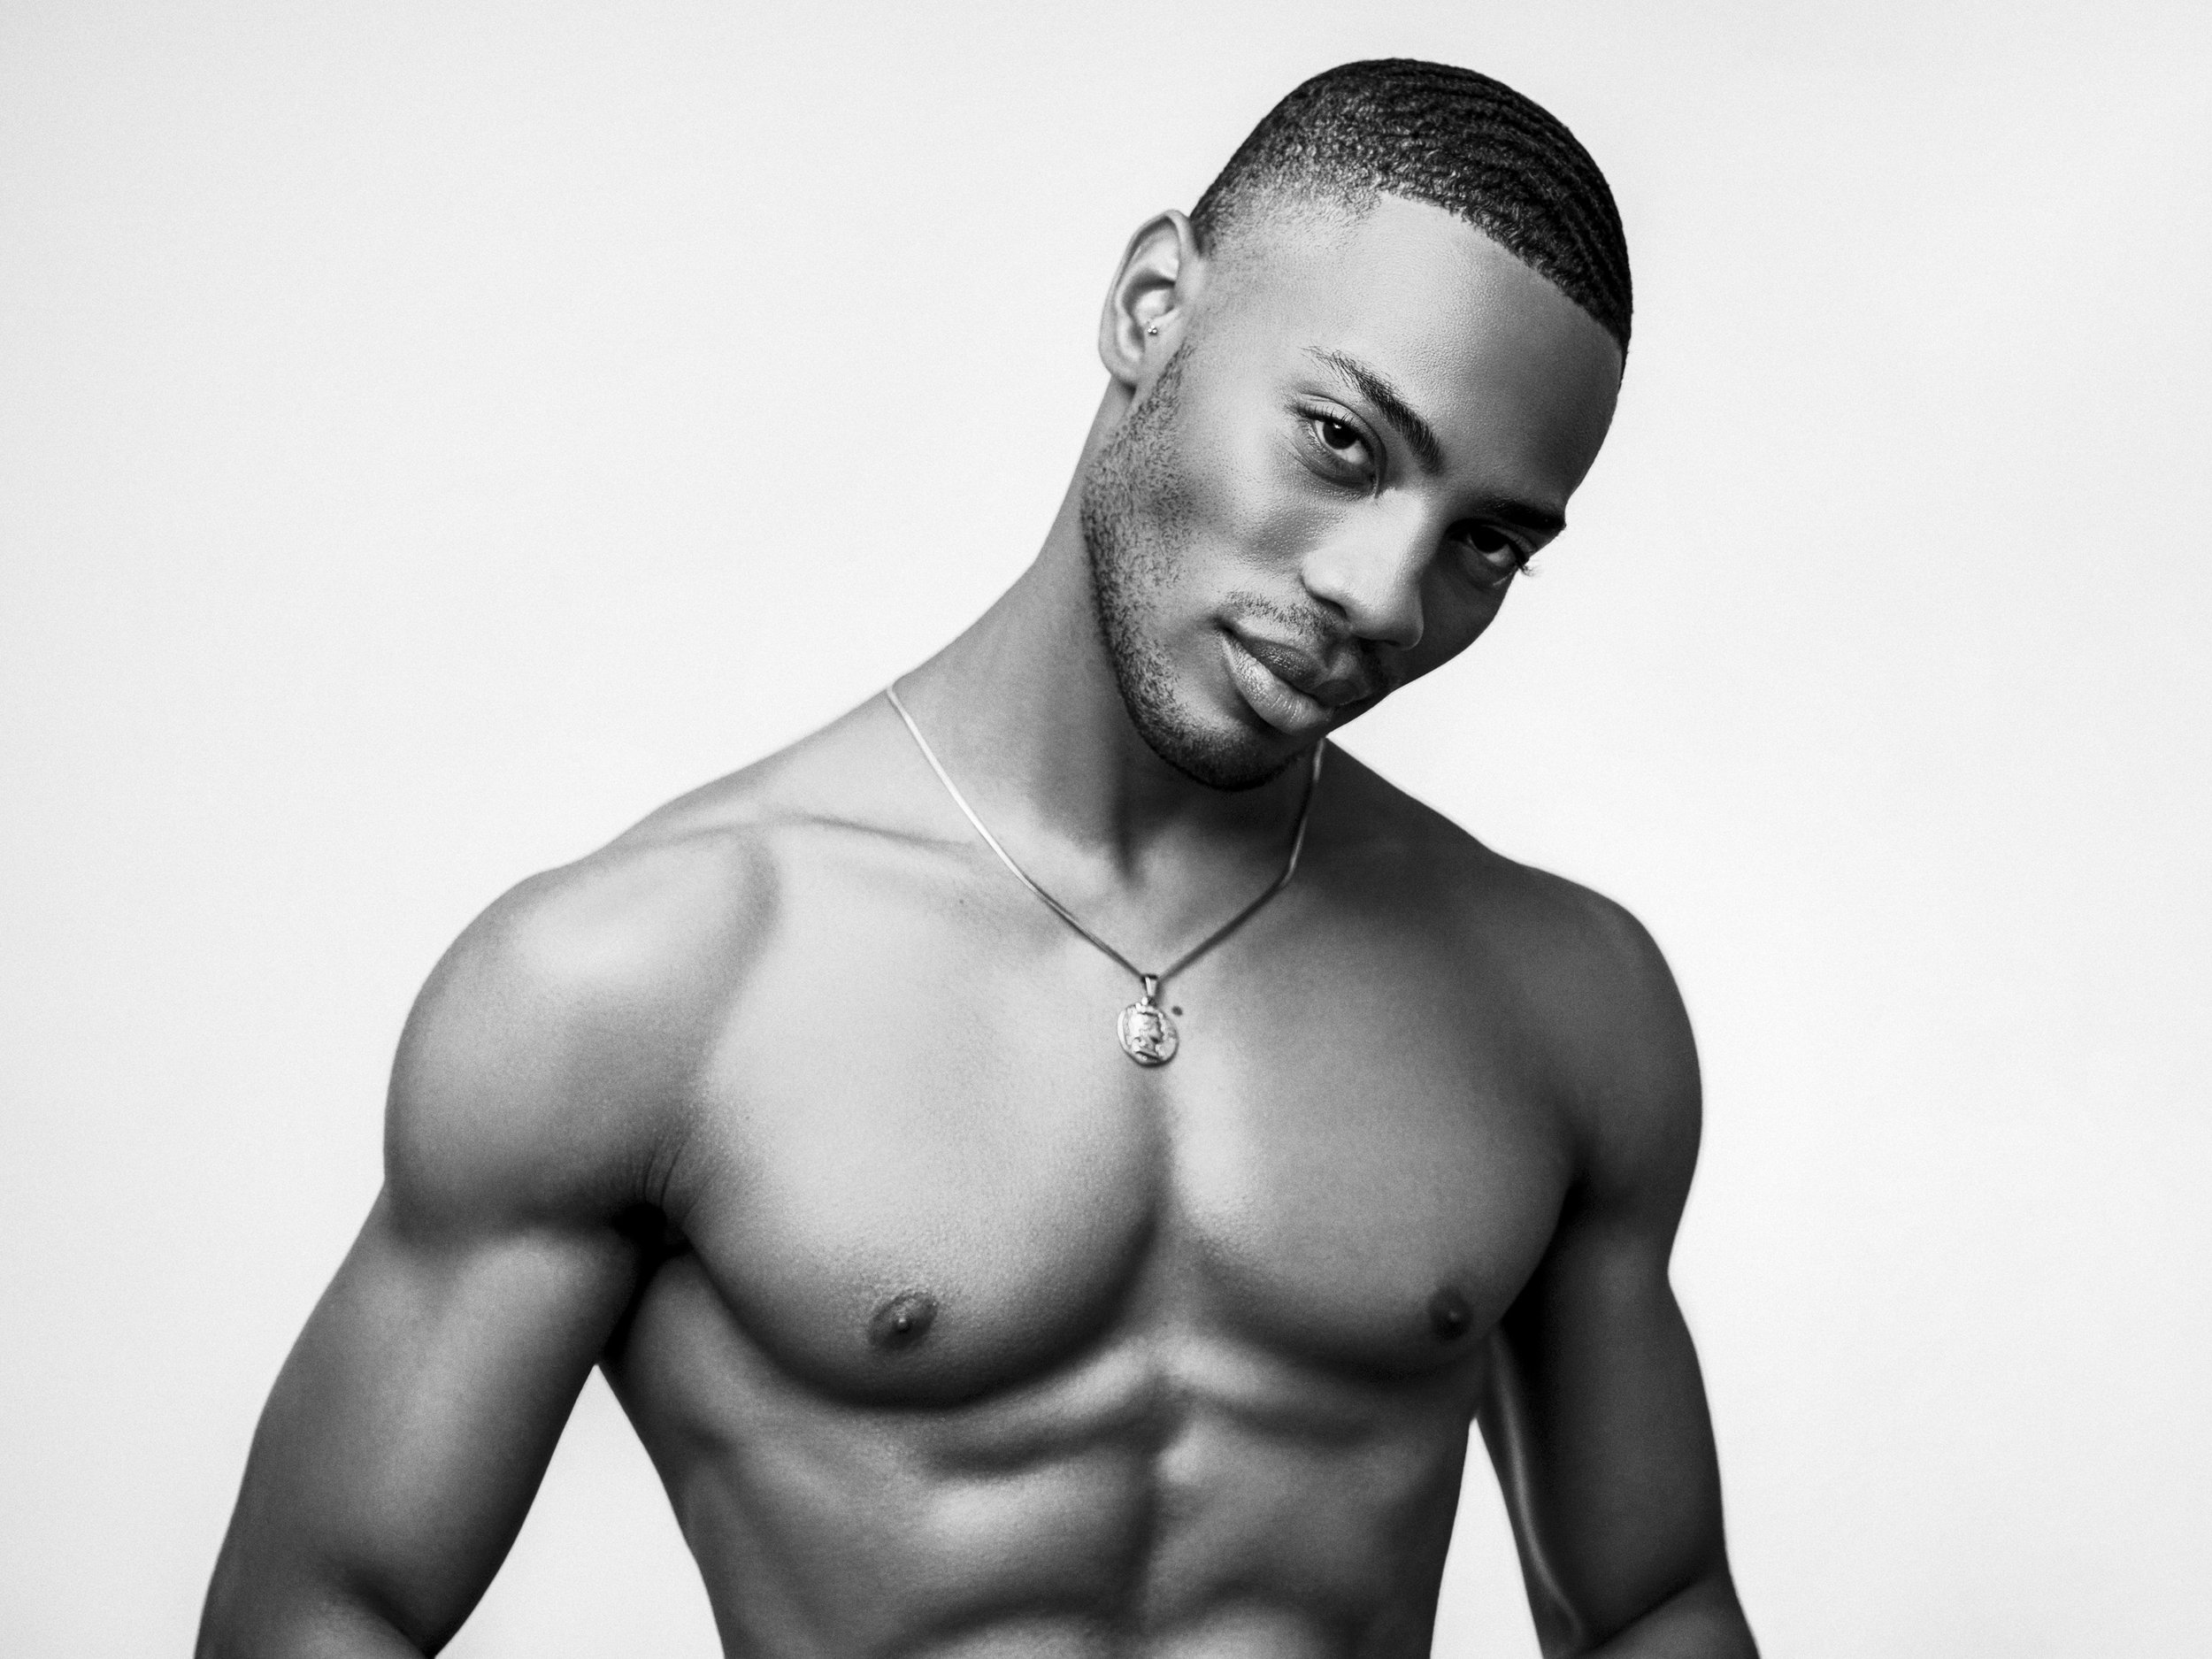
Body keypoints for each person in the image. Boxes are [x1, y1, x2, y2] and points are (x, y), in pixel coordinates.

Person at [200, 58, 1758, 1659]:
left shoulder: (1563, 1004)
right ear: (1155, 306)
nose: (1385, 593)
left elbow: (1651, 1611)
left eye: (1487, 540)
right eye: (1343, 443)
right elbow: (324, 1615)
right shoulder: (647, 978)